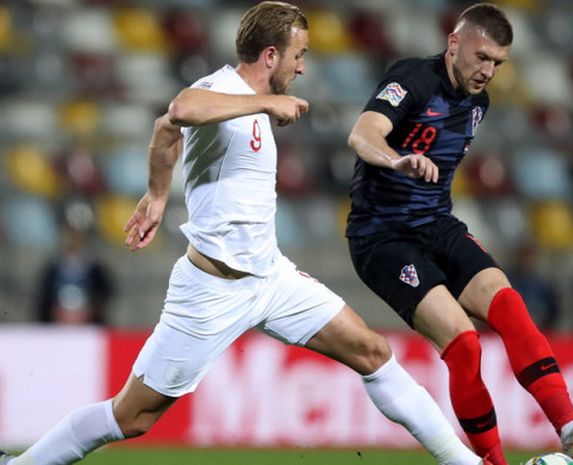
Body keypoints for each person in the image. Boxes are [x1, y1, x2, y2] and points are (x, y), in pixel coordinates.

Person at [0, 3, 489, 465]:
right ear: (271, 55)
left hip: (271, 278)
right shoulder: (221, 90)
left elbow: (163, 132)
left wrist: (156, 193)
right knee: (131, 417)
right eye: (298, 55)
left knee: (372, 351)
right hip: (212, 289)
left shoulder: (246, 101)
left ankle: (462, 460)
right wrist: (265, 102)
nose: (301, 67)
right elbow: (179, 109)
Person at [344, 3, 573, 465]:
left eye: (498, 62)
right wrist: (396, 158)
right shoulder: (413, 79)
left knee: (510, 305)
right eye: (482, 57)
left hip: (436, 223)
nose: (488, 71)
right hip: (382, 237)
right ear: (453, 43)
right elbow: (362, 133)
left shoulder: (479, 101)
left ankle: (570, 427)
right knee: (464, 343)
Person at [36, 223, 113, 325]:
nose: (74, 240)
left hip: (88, 319)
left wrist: (91, 309)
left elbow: (105, 292)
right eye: (71, 236)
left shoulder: (95, 268)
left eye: (78, 236)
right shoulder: (53, 267)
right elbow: (44, 294)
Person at [506, 241, 559, 332]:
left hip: (540, 329)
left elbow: (553, 310)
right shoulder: (507, 281)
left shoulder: (543, 284)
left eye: (529, 257)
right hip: (513, 329)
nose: (527, 261)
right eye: (524, 256)